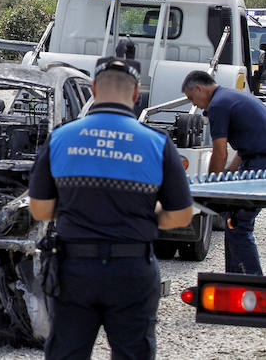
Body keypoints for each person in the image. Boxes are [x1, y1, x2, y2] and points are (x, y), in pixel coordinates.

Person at [29, 56, 193, 360]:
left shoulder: (61, 138)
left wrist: (74, 211)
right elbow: (182, 215)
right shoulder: (156, 143)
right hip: (132, 268)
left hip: (74, 270)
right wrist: (144, 216)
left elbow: (39, 210)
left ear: (93, 88)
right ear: (135, 94)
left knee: (66, 352)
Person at [182, 70, 265, 275]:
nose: (195, 105)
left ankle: (252, 283)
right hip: (255, 159)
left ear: (200, 89)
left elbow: (219, 153)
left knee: (238, 225)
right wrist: (230, 173)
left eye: (192, 98)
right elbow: (247, 144)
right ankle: (234, 277)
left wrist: (211, 189)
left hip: (260, 162)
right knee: (232, 221)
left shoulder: (218, 105)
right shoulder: (233, 96)